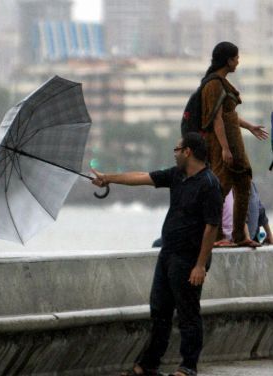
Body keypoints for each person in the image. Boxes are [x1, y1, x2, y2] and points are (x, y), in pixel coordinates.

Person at [91, 133, 222, 376]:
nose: (174, 152)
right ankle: (148, 365)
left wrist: (200, 265)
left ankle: (188, 367)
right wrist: (108, 178)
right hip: (168, 254)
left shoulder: (209, 184)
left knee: (188, 313)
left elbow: (211, 227)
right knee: (159, 310)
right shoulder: (176, 175)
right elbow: (143, 177)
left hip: (189, 259)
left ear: (188, 152)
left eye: (177, 148)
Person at [200, 41, 268, 247]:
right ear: (228, 60)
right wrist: (225, 149)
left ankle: (239, 235)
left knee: (244, 183)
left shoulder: (222, 82)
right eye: (236, 58)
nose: (238, 61)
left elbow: (229, 115)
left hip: (234, 143)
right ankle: (219, 236)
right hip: (223, 145)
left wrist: (249, 127)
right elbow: (216, 119)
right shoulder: (213, 84)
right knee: (221, 187)